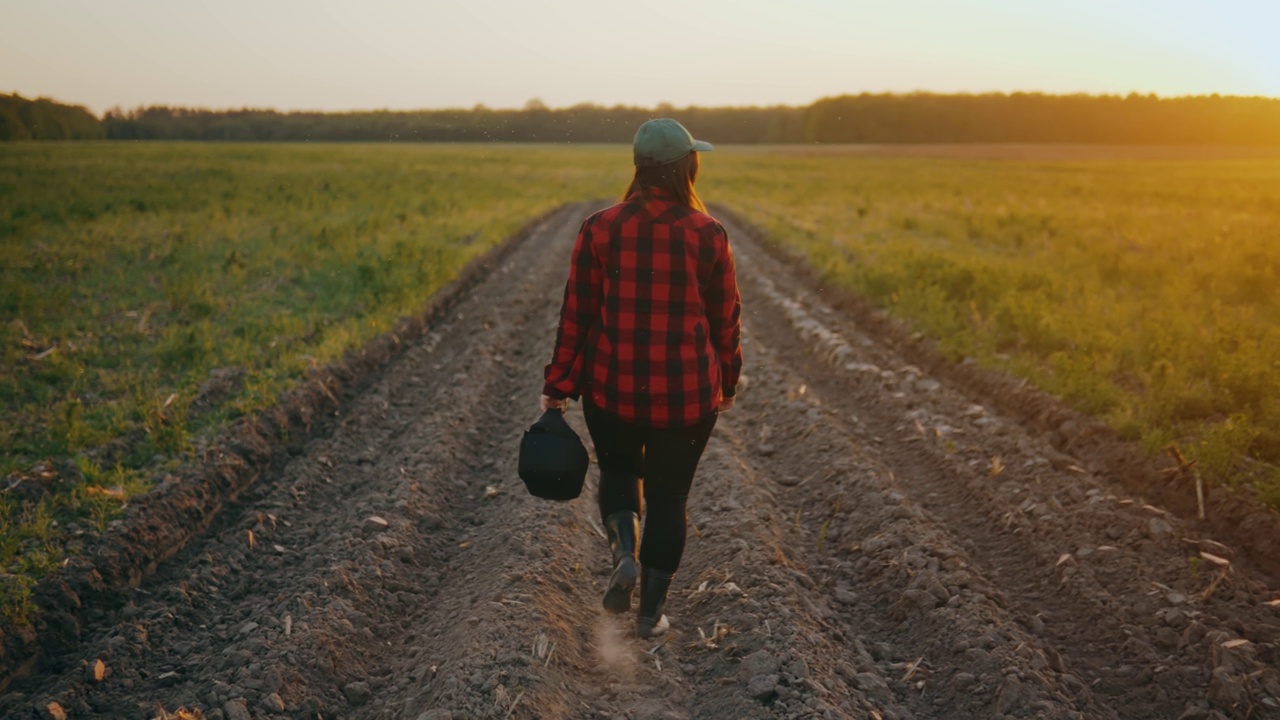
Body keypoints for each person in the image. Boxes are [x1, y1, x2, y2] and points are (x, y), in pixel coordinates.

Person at [540, 118, 742, 638]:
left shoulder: (600, 227)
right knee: (670, 497)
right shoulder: (709, 234)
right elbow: (726, 321)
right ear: (685, 168)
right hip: (688, 394)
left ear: (640, 168)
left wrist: (558, 384)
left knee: (619, 473)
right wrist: (729, 382)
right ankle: (650, 615)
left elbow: (577, 314)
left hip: (612, 388)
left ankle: (624, 556)